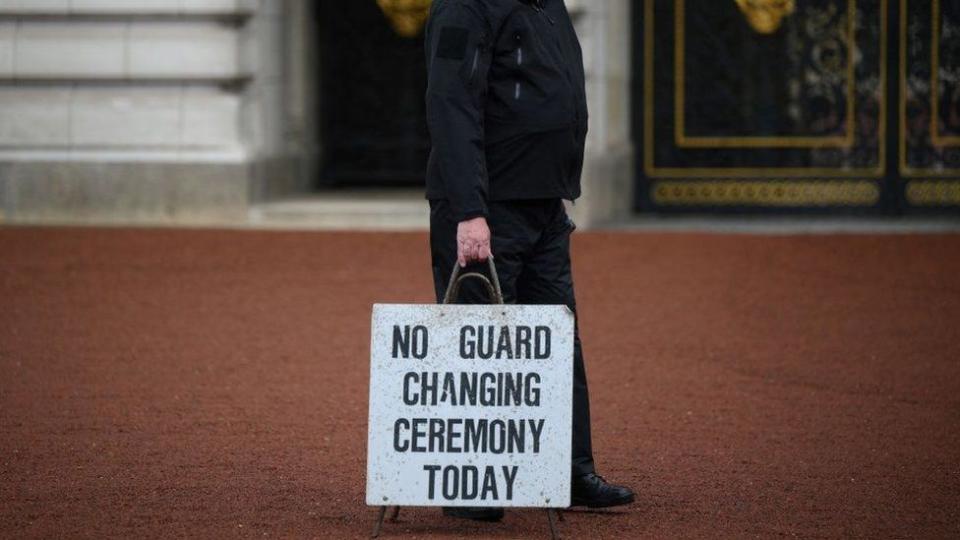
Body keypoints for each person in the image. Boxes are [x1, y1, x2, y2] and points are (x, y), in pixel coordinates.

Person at [423, 0, 635, 521]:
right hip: (487, 209)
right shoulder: (463, 5)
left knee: (557, 341)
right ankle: (472, 487)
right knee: (480, 346)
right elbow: (451, 102)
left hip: (543, 205)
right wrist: (471, 211)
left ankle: (569, 470)